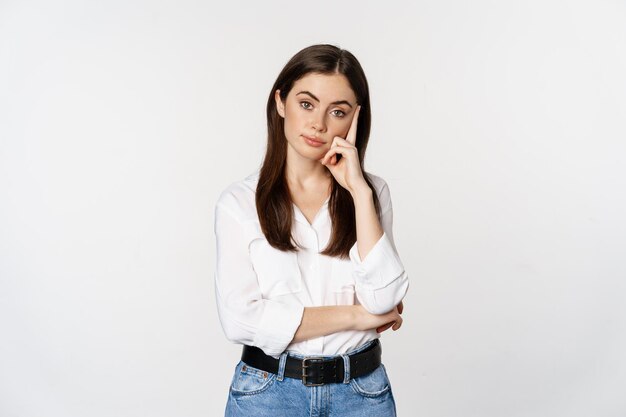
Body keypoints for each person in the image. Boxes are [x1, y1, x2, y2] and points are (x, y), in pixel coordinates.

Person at [213, 44, 409, 417]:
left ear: (354, 119)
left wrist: (359, 192)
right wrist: (356, 317)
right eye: (306, 104)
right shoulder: (237, 203)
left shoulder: (371, 193)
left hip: (361, 394)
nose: (319, 123)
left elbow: (384, 299)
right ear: (281, 102)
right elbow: (239, 319)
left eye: (337, 111)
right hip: (267, 394)